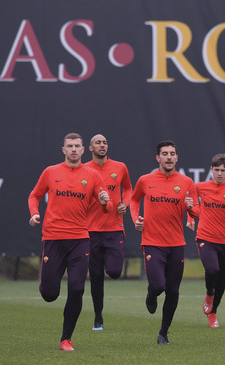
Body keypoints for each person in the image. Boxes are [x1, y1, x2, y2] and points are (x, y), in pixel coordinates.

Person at [28, 133, 111, 351]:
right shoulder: (51, 172)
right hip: (54, 239)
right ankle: (48, 285)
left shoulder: (92, 175)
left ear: (84, 150)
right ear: (63, 150)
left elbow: (106, 204)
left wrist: (104, 202)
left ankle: (66, 339)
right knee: (49, 294)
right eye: (69, 146)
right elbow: (34, 196)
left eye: (77, 146)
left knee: (76, 288)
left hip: (80, 240)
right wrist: (35, 214)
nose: (73, 149)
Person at [130, 141, 199, 345]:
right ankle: (151, 294)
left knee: (173, 290)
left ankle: (163, 333)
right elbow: (134, 201)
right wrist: (136, 219)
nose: (169, 157)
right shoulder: (145, 180)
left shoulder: (187, 183)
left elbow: (197, 211)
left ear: (177, 157)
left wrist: (191, 208)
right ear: (157, 158)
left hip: (176, 244)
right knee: (159, 285)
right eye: (165, 154)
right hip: (152, 243)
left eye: (172, 154)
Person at [187, 154, 225, 328]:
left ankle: (213, 313)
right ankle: (208, 293)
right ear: (211, 170)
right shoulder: (201, 187)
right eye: (217, 170)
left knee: (221, 281)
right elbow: (189, 202)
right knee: (212, 269)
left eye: (223, 170)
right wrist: (191, 218)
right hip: (205, 237)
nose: (220, 173)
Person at [85, 134, 132, 331]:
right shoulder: (84, 169)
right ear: (90, 148)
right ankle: (98, 317)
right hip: (91, 231)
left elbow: (129, 189)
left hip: (114, 229)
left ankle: (110, 266)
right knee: (95, 276)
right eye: (98, 143)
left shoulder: (120, 167)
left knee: (113, 272)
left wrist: (125, 204)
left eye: (104, 142)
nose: (102, 145)